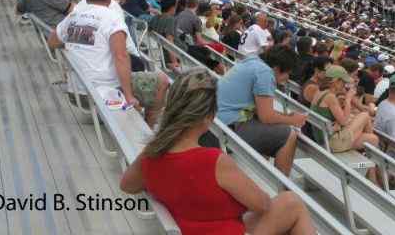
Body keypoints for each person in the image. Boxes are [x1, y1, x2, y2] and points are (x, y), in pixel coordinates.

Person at [120, 69, 316, 235]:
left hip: (192, 225)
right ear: (209, 116)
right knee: (292, 203)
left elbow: (128, 185)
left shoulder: (152, 152)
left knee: (287, 204)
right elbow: (263, 204)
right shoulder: (213, 161)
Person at [48, 0, 169, 127]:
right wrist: (129, 96)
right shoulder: (112, 18)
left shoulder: (74, 16)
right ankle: (148, 129)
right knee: (162, 81)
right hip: (103, 93)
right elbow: (121, 57)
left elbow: (52, 42)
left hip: (75, 91)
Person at [216, 46, 307, 176]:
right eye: (287, 73)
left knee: (271, 129)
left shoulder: (253, 61)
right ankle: (283, 188)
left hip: (216, 121)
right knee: (289, 135)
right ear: (277, 68)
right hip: (227, 128)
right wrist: (293, 120)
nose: (287, 78)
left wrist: (286, 116)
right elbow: (266, 116)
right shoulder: (265, 73)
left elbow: (261, 112)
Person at [310, 65, 378, 153]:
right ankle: (368, 161)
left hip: (325, 138)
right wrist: (348, 99)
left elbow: (340, 120)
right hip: (331, 142)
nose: (344, 85)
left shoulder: (320, 91)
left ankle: (366, 158)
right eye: (343, 82)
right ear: (336, 81)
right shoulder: (330, 96)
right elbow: (344, 121)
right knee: (365, 116)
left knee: (373, 138)